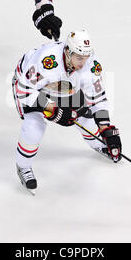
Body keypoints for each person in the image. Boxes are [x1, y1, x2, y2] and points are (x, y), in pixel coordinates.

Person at [11, 30, 122, 193]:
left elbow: (97, 98)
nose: (83, 63)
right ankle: (23, 166)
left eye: (86, 57)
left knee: (84, 116)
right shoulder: (46, 62)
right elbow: (24, 92)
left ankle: (99, 144)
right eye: (79, 57)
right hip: (31, 88)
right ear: (67, 52)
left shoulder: (91, 65)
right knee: (34, 128)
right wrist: (53, 109)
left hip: (63, 87)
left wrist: (106, 129)